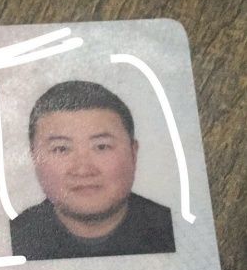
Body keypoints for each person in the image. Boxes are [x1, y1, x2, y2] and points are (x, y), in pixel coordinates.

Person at [10, 80, 175, 260]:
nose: (83, 170)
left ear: (133, 153)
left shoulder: (174, 229)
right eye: (61, 149)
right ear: (35, 159)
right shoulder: (11, 240)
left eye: (101, 147)